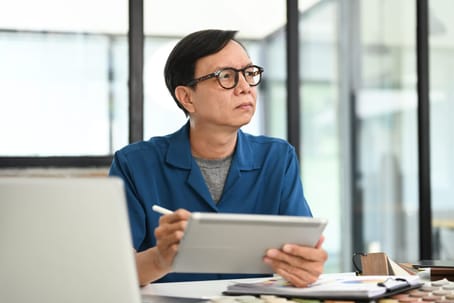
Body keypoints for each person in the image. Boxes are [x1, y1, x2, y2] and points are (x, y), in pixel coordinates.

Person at [109, 29, 327, 287]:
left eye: (249, 74)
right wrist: (160, 259)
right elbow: (111, 271)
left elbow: (301, 252)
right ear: (187, 97)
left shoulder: (278, 158)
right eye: (226, 77)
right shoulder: (134, 165)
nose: (245, 87)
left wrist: (307, 266)